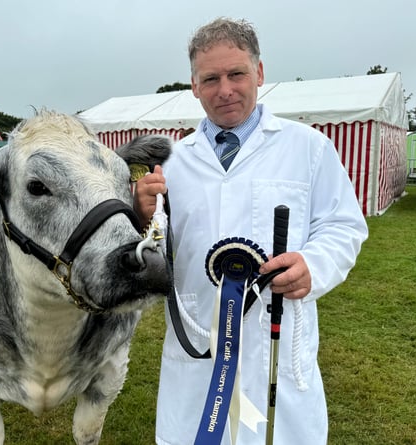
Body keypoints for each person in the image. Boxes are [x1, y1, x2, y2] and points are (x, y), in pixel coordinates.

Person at [134, 17, 369, 445]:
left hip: (275, 343)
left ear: (259, 73)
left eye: (236, 74)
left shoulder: (308, 147)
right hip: (198, 347)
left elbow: (343, 225)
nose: (224, 89)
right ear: (193, 84)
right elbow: (151, 251)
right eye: (210, 78)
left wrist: (313, 265)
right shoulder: (171, 163)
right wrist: (142, 215)